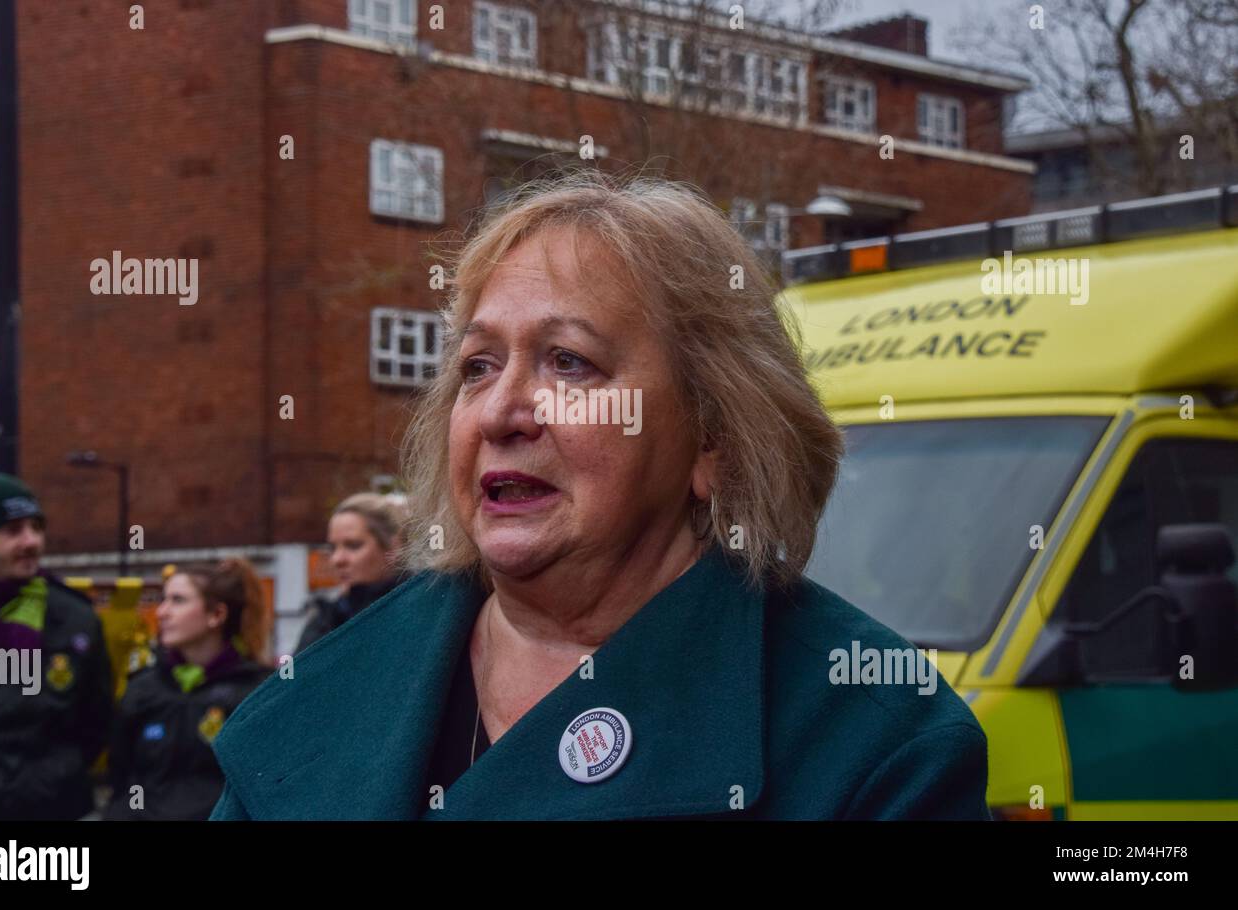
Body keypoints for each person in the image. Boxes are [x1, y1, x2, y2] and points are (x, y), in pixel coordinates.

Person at [208, 171, 990, 820]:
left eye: (569, 363)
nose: (502, 412)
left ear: (713, 434)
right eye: (477, 367)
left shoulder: (872, 738)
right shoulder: (317, 700)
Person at [0, 473, 113, 820]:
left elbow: (98, 717)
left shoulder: (75, 617)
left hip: (52, 808)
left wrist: (60, 771)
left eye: (36, 527)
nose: (31, 541)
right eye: (13, 530)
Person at [104, 559, 271, 820]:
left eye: (178, 600)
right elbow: (119, 774)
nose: (161, 612)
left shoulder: (255, 693)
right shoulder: (143, 688)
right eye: (163, 599)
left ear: (216, 615)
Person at [293, 492, 409, 654]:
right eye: (333, 548)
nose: (337, 560)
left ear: (393, 547)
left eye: (353, 545)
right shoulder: (328, 617)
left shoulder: (418, 612)